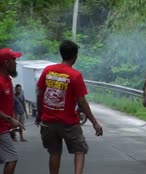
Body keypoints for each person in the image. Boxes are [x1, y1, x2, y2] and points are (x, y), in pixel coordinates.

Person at [35, 40, 103, 174]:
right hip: (68, 123)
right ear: (75, 56)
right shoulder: (75, 76)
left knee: (54, 153)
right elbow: (82, 102)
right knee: (80, 150)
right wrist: (95, 123)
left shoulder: (48, 70)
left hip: (48, 122)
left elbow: (39, 93)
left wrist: (39, 114)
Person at [0, 48, 25, 174]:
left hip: (4, 127)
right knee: (12, 158)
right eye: (14, 60)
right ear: (6, 62)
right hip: (0, 129)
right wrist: (11, 120)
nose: (16, 63)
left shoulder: (8, 79)